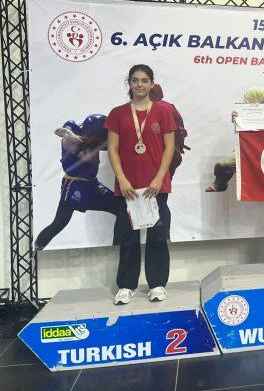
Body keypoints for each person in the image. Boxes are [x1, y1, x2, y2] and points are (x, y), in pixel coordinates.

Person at [105, 64, 177, 305]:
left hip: (156, 185)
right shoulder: (117, 113)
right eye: (135, 80)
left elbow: (170, 147)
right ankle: (126, 286)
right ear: (129, 83)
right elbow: (112, 149)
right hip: (127, 186)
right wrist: (122, 179)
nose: (139, 84)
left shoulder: (163, 112)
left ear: (151, 84)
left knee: (157, 236)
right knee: (128, 237)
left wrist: (159, 178)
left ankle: (157, 284)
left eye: (145, 80)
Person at [34, 114, 120, 250]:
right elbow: (82, 154)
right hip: (74, 185)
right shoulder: (71, 130)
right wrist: (79, 140)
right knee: (60, 222)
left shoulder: (93, 137)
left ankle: (118, 249)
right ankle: (37, 248)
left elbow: (110, 144)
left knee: (121, 206)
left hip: (93, 184)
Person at [206, 86, 264, 192]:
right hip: (245, 148)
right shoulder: (240, 113)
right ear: (255, 98)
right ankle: (220, 185)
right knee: (221, 165)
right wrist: (236, 120)